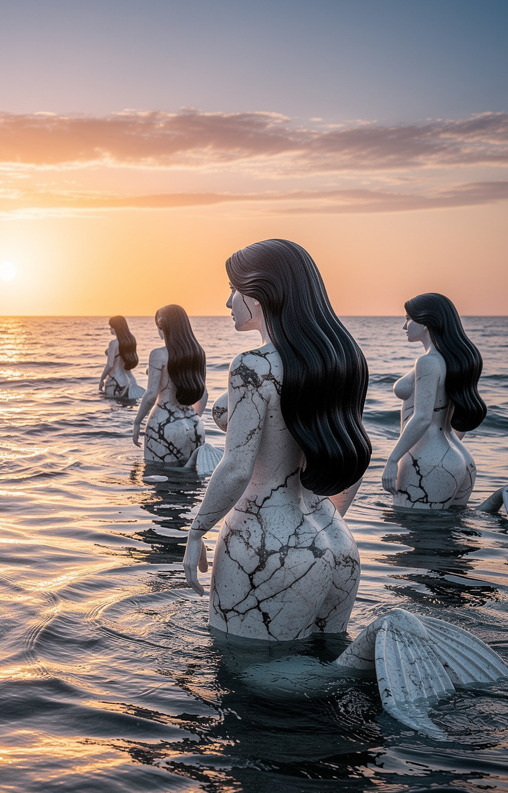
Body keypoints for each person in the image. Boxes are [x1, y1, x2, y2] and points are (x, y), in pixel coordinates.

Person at [181, 239, 505, 737]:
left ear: (262, 292)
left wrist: (196, 530)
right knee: (319, 666)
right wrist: (316, 536)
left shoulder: (252, 365)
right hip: (334, 538)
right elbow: (352, 454)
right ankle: (373, 663)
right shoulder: (339, 359)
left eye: (233, 289)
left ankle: (378, 645)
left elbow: (236, 468)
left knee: (251, 678)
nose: (228, 302)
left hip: (264, 542)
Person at [382, 293, 485, 509]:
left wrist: (392, 460)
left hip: (426, 459)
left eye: (408, 319)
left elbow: (422, 417)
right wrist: (447, 452)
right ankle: (499, 497)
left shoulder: (428, 362)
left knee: (413, 526)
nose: (404, 326)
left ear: (426, 322)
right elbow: (456, 408)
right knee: (452, 527)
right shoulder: (450, 360)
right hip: (457, 455)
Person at [132, 304, 209, 466]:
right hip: (194, 424)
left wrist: (137, 422)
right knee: (190, 477)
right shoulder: (198, 353)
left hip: (163, 424)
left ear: (162, 326)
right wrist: (192, 418)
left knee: (156, 474)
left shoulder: (158, 354)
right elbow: (204, 394)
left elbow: (151, 394)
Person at [99, 316, 144, 401]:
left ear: (116, 328)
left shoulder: (113, 343)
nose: (110, 329)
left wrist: (101, 379)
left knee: (113, 407)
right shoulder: (130, 341)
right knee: (128, 407)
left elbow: (109, 365)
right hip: (130, 380)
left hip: (115, 380)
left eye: (111, 327)